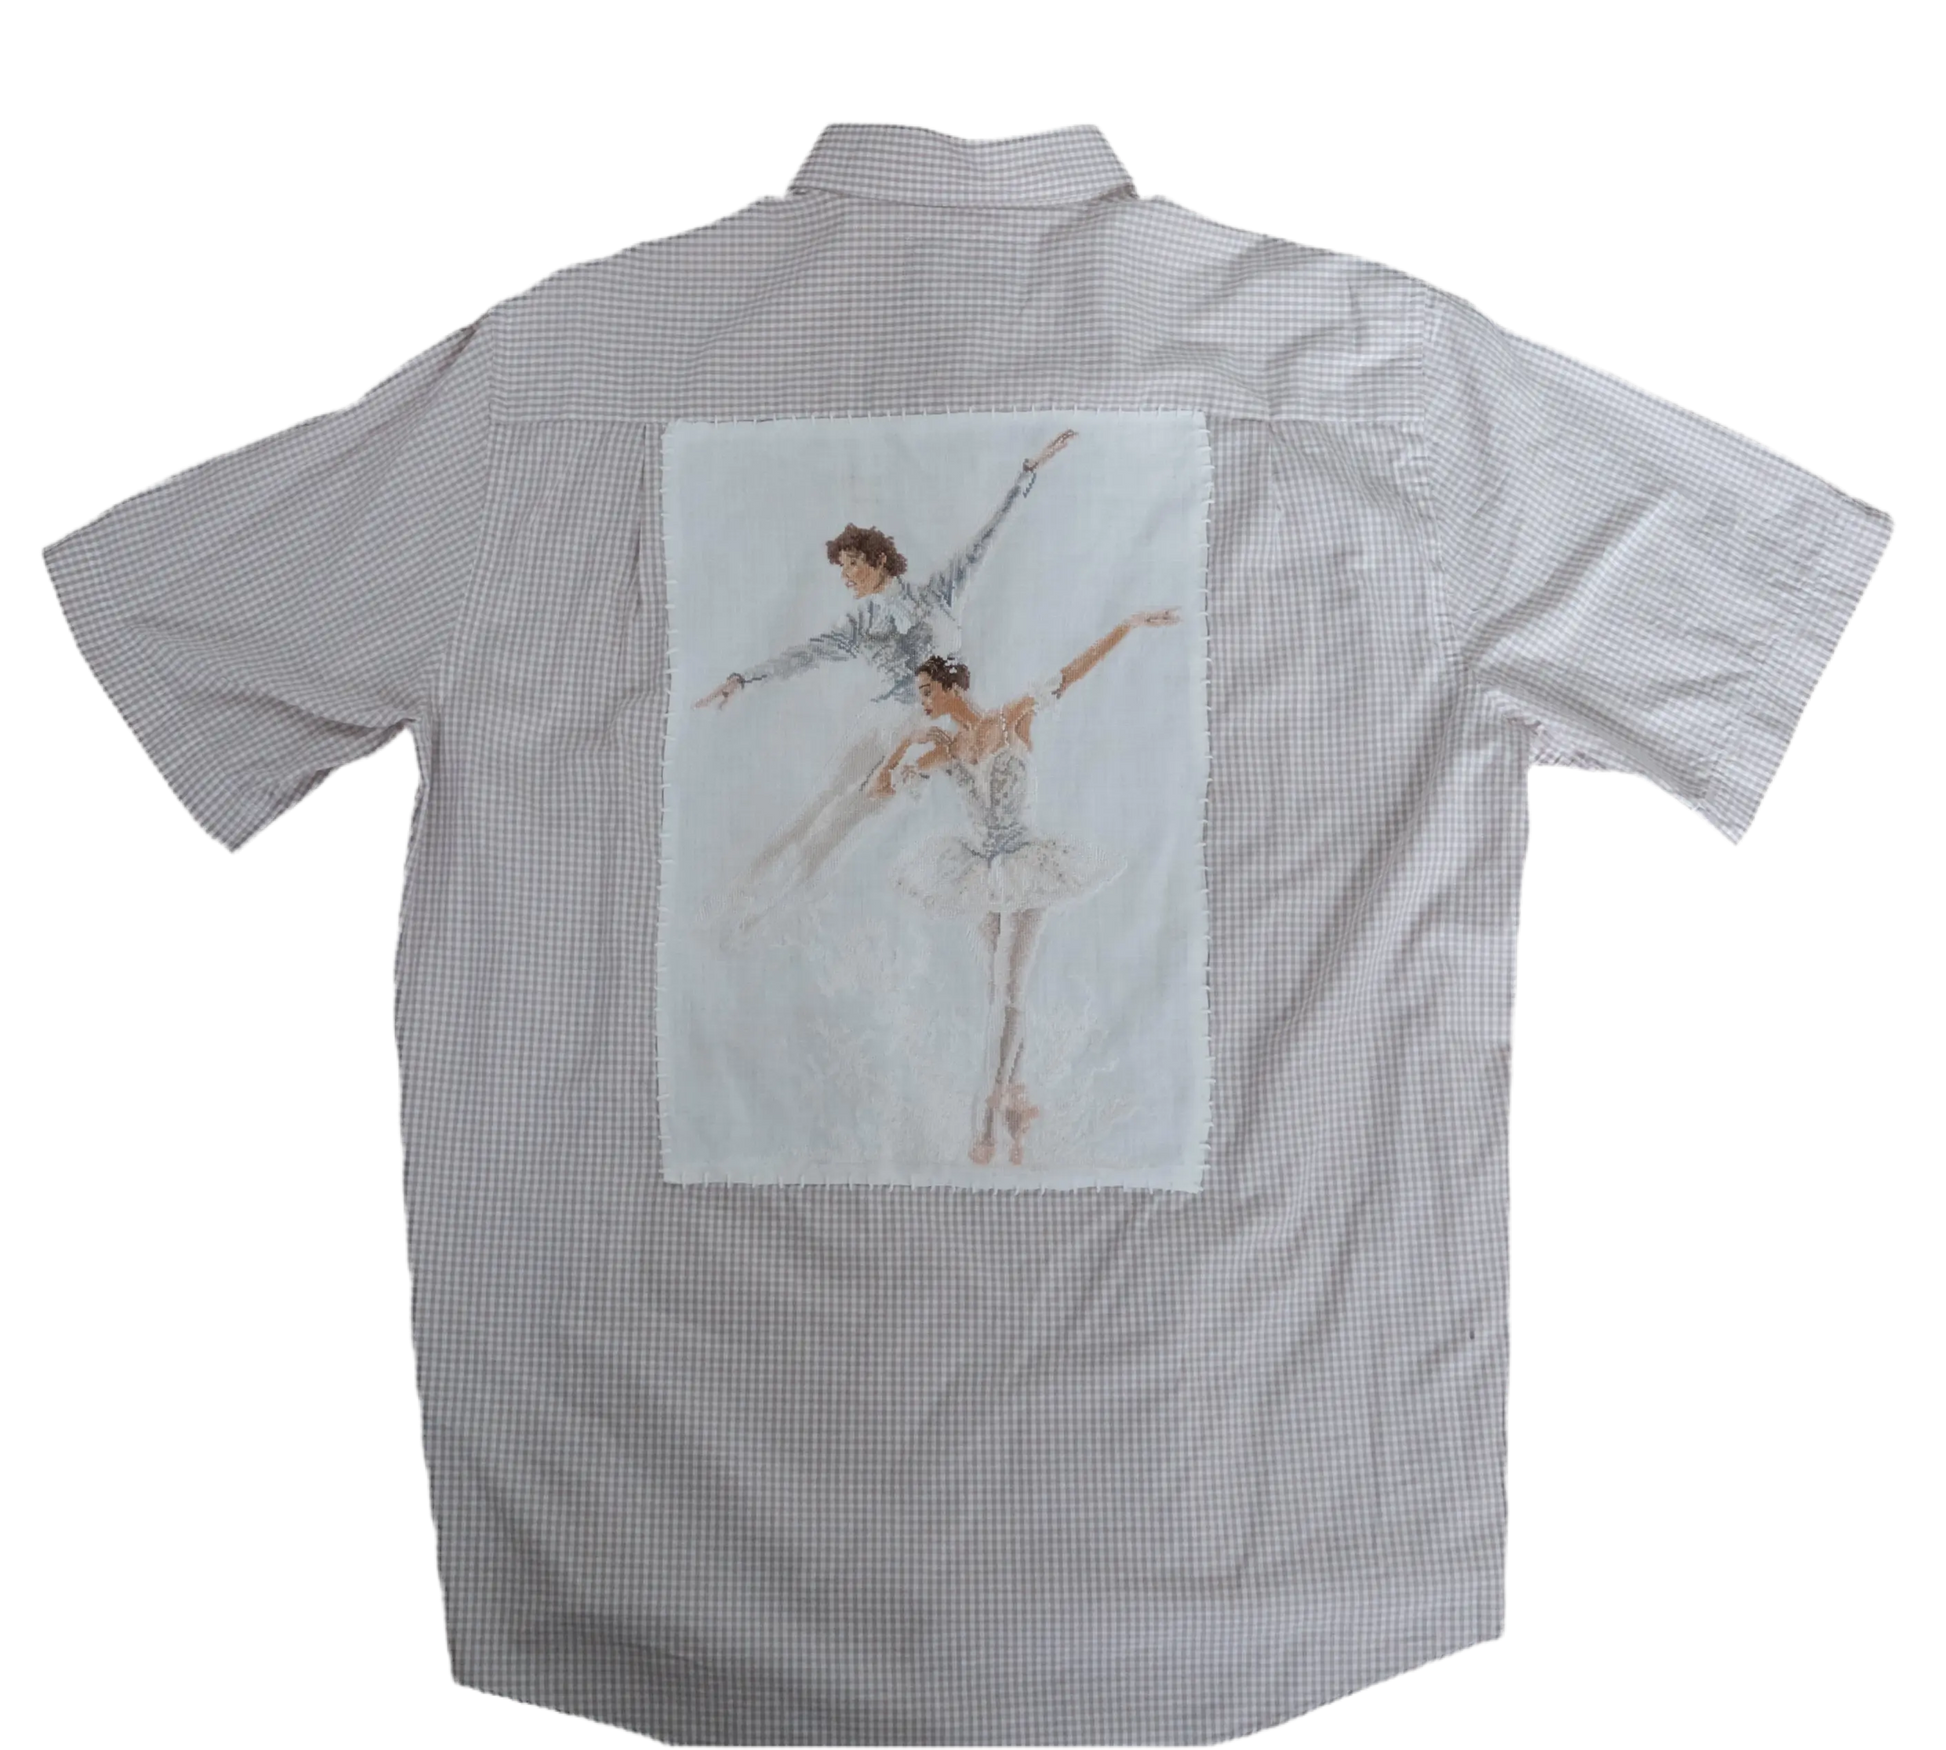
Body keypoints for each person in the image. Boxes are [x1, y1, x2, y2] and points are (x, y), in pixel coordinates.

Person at [695, 430, 1078, 926]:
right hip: (880, 723)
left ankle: (769, 914)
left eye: (852, 565)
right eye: (842, 569)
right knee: (819, 808)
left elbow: (987, 538)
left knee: (845, 825)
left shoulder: (941, 594)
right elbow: (807, 654)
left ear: (879, 560)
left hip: (924, 729)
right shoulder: (860, 620)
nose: (846, 576)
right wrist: (743, 678)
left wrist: (1027, 473)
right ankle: (739, 895)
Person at [870, 609, 1182, 1164]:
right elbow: (879, 789)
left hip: (1026, 868)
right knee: (999, 996)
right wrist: (907, 742)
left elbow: (1072, 671)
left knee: (1009, 993)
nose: (923, 702)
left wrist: (1127, 626)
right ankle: (1015, 1107)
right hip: (979, 872)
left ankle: (985, 1122)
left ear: (950, 687)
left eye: (927, 692)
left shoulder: (1010, 719)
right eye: (920, 696)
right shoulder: (946, 748)